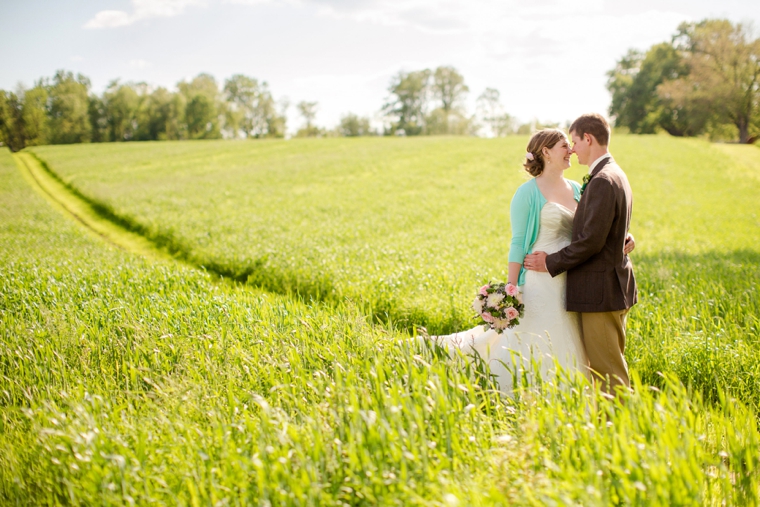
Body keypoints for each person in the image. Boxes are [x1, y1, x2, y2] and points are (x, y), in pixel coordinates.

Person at [421, 128, 634, 393]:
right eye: (564, 146)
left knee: (573, 339)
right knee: (539, 335)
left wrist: (624, 237)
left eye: (571, 145)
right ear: (546, 152)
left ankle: (573, 393)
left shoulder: (579, 188)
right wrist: (512, 289)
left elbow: (596, 226)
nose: (571, 151)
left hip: (575, 276)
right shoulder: (527, 193)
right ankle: (533, 391)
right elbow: (518, 243)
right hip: (540, 278)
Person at [524, 114, 637, 395]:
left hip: (600, 290)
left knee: (608, 370)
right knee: (607, 364)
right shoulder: (614, 173)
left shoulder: (602, 179)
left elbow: (589, 242)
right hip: (612, 285)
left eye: (574, 141)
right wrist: (622, 237)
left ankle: (618, 431)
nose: (572, 148)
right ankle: (610, 426)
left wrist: (550, 262)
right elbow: (606, 226)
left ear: (588, 139)